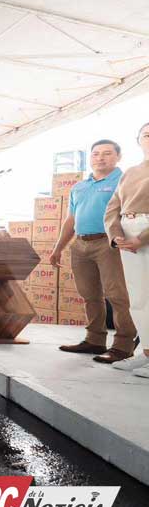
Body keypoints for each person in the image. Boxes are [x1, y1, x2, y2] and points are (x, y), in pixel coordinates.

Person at [54, 140, 138, 363]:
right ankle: (95, 340)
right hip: (81, 244)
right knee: (90, 295)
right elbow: (70, 220)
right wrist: (58, 248)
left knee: (117, 296)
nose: (100, 158)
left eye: (107, 153)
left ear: (118, 157)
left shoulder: (124, 180)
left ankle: (123, 345)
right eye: (96, 154)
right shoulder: (79, 187)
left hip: (109, 243)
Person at [105, 122, 149, 376]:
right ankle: (145, 353)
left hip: (144, 232)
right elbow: (113, 207)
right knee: (139, 297)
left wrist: (142, 238)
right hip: (127, 230)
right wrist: (116, 235)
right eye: (146, 134)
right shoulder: (130, 172)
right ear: (138, 140)